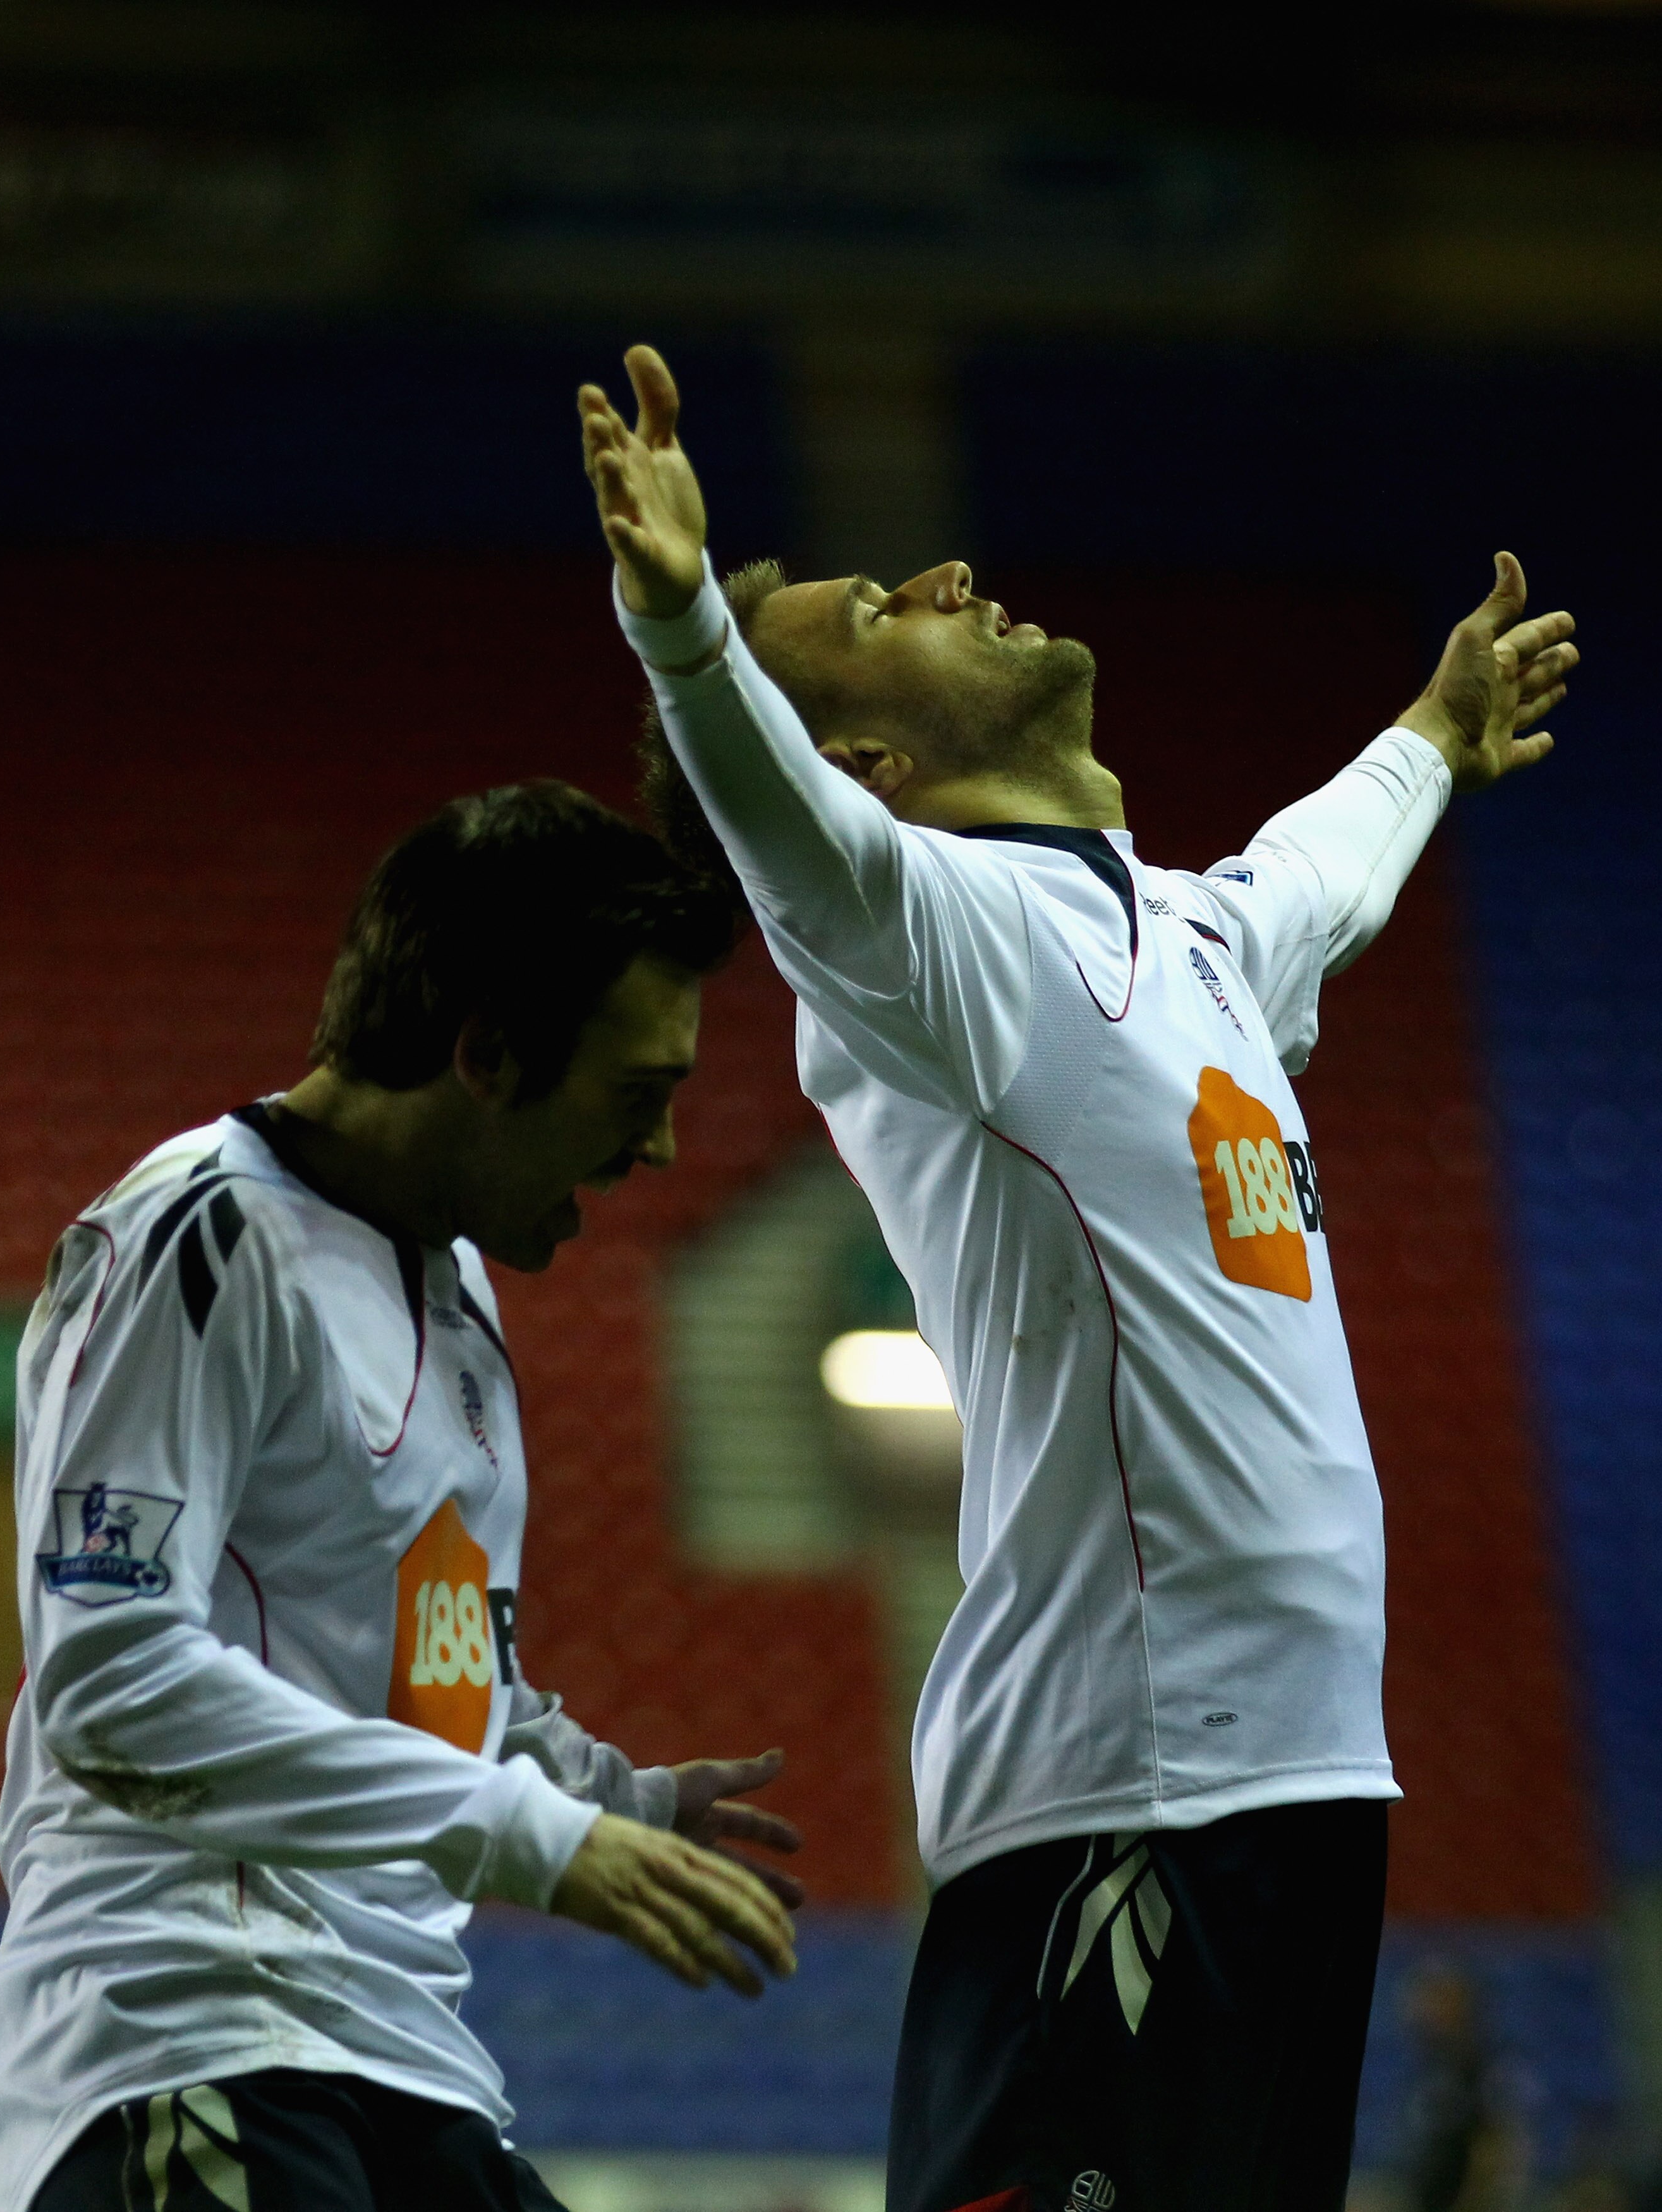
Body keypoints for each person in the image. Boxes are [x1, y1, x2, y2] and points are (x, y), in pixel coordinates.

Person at [580, 346, 1577, 2212]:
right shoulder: (928, 953)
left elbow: (1316, 879)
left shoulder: (1188, 935)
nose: (946, 577)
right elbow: (789, 847)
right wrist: (687, 632)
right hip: (1126, 1789)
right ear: (862, 766)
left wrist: (1430, 734)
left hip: (1297, 1777)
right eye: (882, 607)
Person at [0, 780, 803, 2212]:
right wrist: (535, 1836)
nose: (659, 1150)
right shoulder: (201, 1236)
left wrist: (604, 1796)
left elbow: (428, 1669)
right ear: (485, 1052)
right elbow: (109, 1685)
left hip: (402, 2056)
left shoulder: (458, 1282)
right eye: (637, 1094)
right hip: (185, 2033)